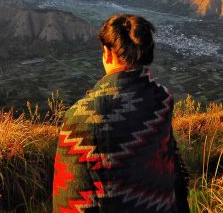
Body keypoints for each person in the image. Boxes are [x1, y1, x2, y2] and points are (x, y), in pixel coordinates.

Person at [52, 14, 190, 212]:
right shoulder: (162, 100)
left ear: (108, 54)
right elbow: (173, 171)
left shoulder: (80, 118)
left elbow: (69, 200)